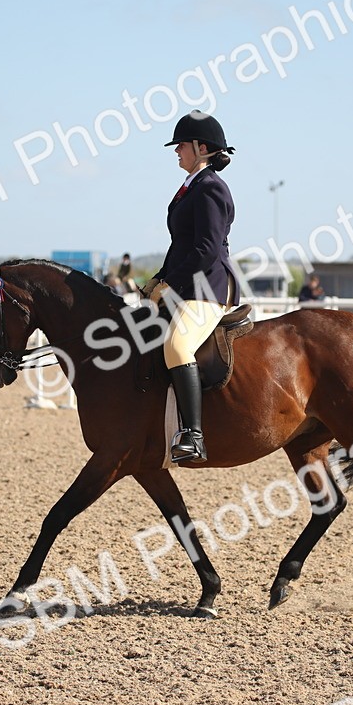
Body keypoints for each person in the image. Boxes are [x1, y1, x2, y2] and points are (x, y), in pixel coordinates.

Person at [139, 110, 238, 464]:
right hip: (190, 283)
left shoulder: (211, 188)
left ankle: (194, 435)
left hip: (209, 286)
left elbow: (206, 249)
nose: (177, 151)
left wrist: (170, 283)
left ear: (201, 148)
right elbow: (181, 245)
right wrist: (158, 278)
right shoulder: (190, 187)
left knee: (178, 346)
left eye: (181, 145)